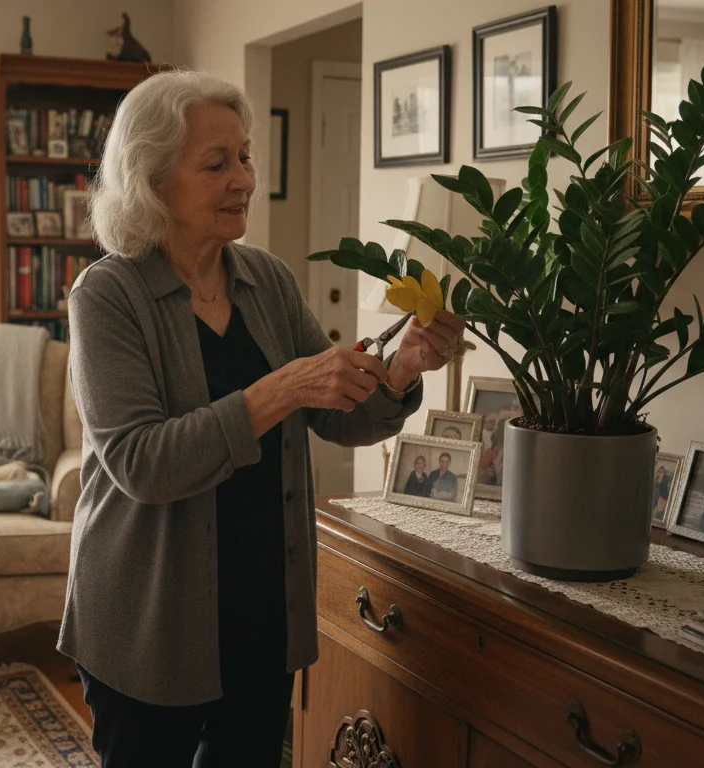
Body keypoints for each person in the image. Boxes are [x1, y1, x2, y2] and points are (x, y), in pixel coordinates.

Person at [57, 70, 466, 768]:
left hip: (263, 611)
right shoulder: (107, 295)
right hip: (150, 621)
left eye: (244, 157)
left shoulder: (267, 280)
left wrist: (401, 370)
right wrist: (279, 390)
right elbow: (140, 464)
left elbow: (337, 417)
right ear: (152, 181)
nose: (242, 178)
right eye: (216, 164)